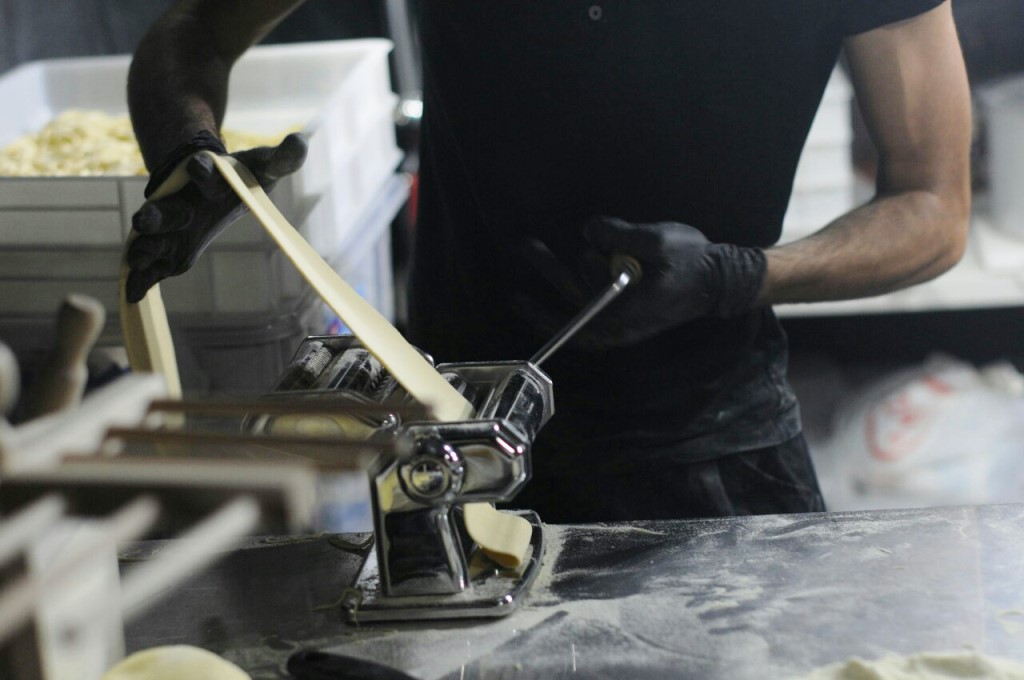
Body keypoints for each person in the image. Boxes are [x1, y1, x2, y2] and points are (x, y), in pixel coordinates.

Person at [124, 1, 971, 523]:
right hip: (458, 436)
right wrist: (187, 153)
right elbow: (196, 31)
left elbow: (934, 207)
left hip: (708, 433)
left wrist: (738, 276)